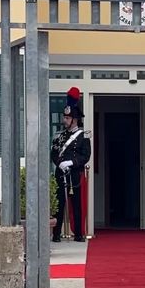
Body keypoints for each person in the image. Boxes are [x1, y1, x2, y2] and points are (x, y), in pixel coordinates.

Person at [50, 88, 91, 243]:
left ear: (74, 119)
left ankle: (79, 233)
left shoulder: (83, 136)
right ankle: (56, 234)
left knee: (76, 205)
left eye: (67, 118)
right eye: (64, 117)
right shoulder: (59, 135)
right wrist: (60, 163)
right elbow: (54, 153)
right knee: (59, 204)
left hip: (75, 174)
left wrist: (72, 162)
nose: (64, 120)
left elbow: (85, 156)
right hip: (61, 173)